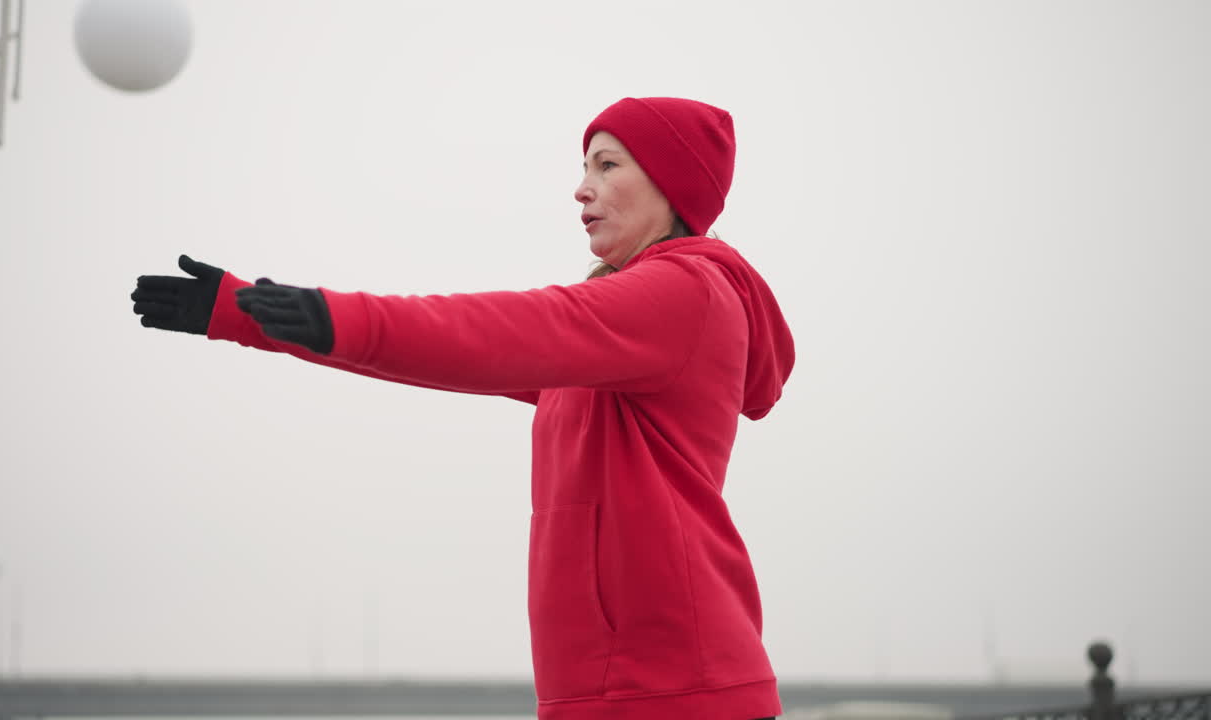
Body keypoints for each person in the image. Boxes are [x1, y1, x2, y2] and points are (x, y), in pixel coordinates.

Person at [131, 96, 794, 720]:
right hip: (610, 687)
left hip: (676, 685)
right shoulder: (625, 329)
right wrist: (248, 316)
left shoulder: (683, 294)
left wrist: (333, 315)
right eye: (583, 166)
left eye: (607, 165)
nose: (581, 187)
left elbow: (504, 328)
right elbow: (454, 355)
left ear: (670, 184)